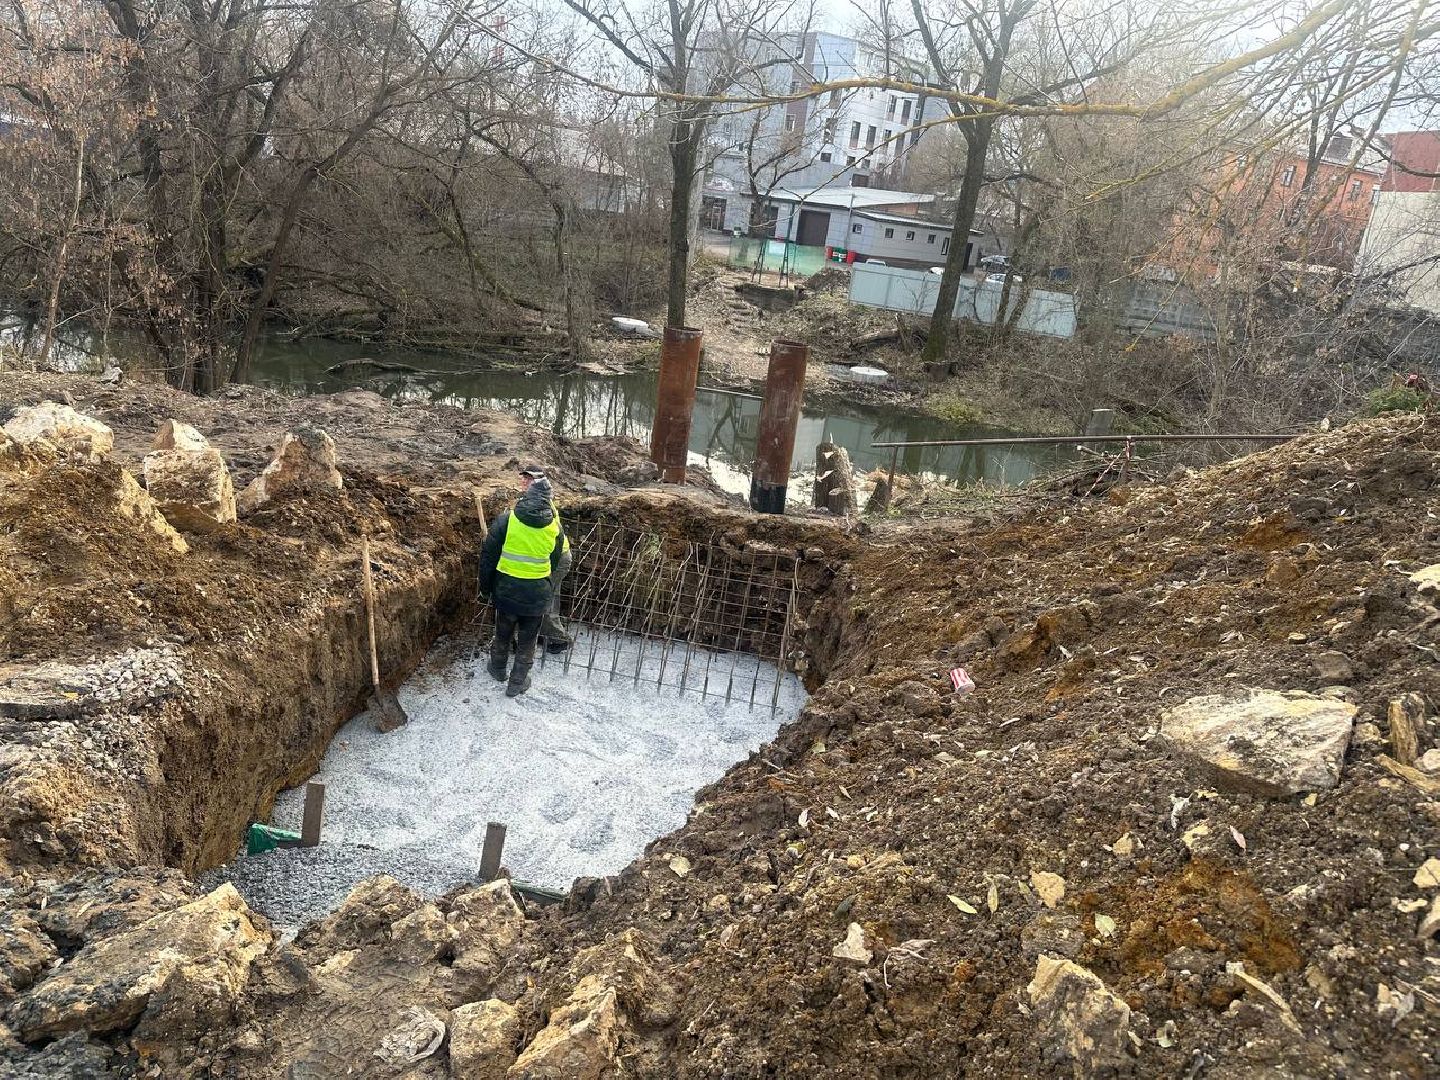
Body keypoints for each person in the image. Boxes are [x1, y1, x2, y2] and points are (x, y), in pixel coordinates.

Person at [478, 464, 568, 698]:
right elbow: (554, 562)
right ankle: (517, 682)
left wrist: (485, 588)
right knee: (528, 640)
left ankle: (498, 668)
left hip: (506, 590)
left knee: (503, 631)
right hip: (536, 594)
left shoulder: (507, 520)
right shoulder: (555, 528)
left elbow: (488, 557)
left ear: (525, 498)